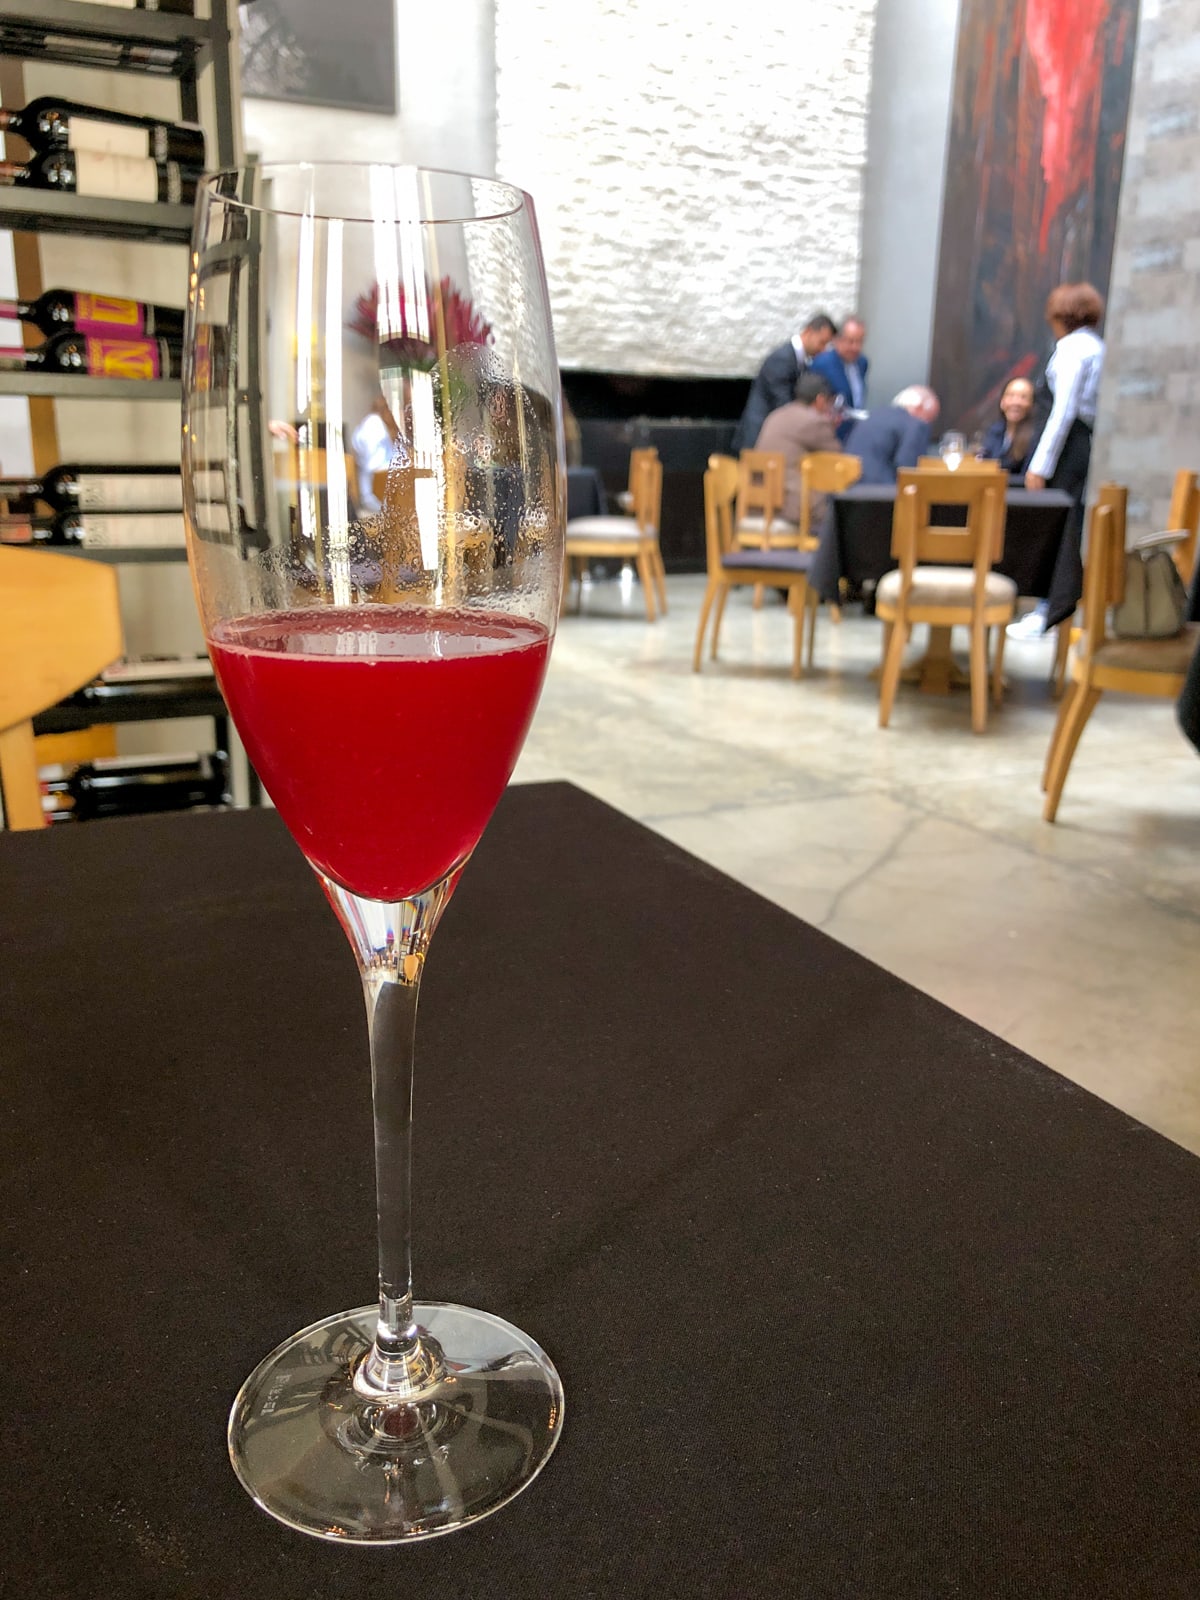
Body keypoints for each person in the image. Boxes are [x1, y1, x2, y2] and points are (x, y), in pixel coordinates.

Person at [1008, 282, 1106, 641]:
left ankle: (1049, 608)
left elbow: (1062, 412)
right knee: (1069, 524)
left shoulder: (1072, 350)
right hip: (1079, 447)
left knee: (1058, 529)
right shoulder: (1095, 346)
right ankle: (1050, 607)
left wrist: (1040, 465)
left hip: (1065, 452)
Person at [732, 313, 837, 453]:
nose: (823, 349)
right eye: (822, 342)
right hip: (757, 438)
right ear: (809, 332)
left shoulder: (800, 361)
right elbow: (783, 402)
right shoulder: (782, 359)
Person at [754, 372, 841, 526]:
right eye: (828, 402)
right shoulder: (815, 421)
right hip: (788, 505)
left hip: (758, 501)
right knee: (841, 509)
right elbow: (839, 460)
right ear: (820, 399)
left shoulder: (775, 415)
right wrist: (831, 427)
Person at [844, 385, 940, 484]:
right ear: (919, 407)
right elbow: (908, 468)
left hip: (848, 486)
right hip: (880, 491)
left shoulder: (876, 414)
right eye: (930, 417)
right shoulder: (916, 424)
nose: (928, 423)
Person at [811, 316, 868, 438]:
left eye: (860, 342)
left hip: (855, 432)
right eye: (850, 341)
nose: (855, 347)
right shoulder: (823, 363)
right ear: (837, 340)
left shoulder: (862, 363)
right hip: (831, 434)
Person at [978, 377, 1039, 477]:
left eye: (1023, 397)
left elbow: (1027, 479)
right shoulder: (994, 431)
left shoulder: (1035, 437)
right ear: (1002, 402)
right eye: (1010, 396)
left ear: (1032, 405)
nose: (1016, 402)